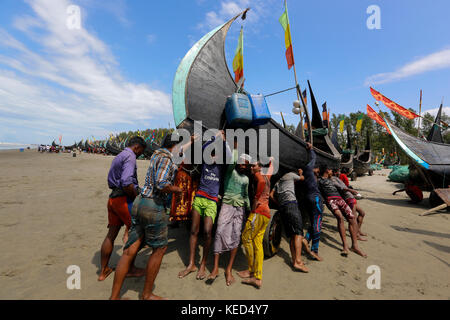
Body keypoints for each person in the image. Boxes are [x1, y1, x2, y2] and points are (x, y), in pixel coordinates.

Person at [110, 132, 186, 300]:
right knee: (159, 249)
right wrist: (177, 190)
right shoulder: (167, 158)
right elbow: (161, 183)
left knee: (129, 250)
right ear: (174, 146)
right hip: (153, 205)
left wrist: (189, 143)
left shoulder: (157, 154)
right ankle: (147, 294)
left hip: (140, 202)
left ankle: (114, 297)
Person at [178, 131, 232, 280]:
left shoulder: (222, 163)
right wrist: (212, 137)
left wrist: (224, 139)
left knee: (208, 231)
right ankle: (191, 264)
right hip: (199, 198)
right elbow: (189, 151)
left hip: (212, 201)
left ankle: (203, 264)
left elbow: (229, 155)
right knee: (194, 231)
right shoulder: (204, 160)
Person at [98, 136, 147, 281]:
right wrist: (135, 197)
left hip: (112, 199)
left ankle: (104, 270)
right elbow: (126, 182)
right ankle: (130, 268)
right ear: (137, 147)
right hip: (123, 200)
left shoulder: (119, 155)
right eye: (140, 152)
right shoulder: (130, 156)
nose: (140, 155)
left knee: (111, 235)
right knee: (138, 234)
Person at [207, 147, 251, 286]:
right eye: (242, 163)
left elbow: (246, 195)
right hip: (227, 204)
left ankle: (228, 269)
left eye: (246, 165)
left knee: (236, 236)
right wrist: (236, 148)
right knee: (219, 232)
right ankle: (215, 268)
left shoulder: (246, 179)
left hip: (240, 209)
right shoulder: (230, 172)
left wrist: (249, 209)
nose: (243, 166)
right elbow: (232, 161)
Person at [238, 157, 274, 289]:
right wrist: (271, 160)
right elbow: (271, 168)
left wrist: (253, 208)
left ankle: (251, 270)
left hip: (258, 212)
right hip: (267, 214)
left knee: (246, 238)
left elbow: (258, 193)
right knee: (257, 243)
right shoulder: (267, 176)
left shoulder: (259, 178)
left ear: (259, 167)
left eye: (254, 166)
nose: (251, 168)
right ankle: (257, 277)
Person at [318, 165, 367, 258]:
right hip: (330, 200)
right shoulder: (319, 180)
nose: (332, 172)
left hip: (340, 199)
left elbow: (341, 188)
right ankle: (345, 246)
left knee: (352, 219)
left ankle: (354, 246)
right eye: (331, 170)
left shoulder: (332, 179)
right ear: (327, 170)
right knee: (340, 218)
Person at [270, 169, 310, 272]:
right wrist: (301, 172)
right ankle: (298, 261)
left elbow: (271, 195)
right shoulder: (291, 175)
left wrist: (279, 203)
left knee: (292, 235)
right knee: (298, 233)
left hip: (283, 207)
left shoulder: (278, 182)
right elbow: (302, 178)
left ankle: (295, 261)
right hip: (291, 205)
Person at [302, 143, 324, 261]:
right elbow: (313, 158)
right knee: (317, 224)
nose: (318, 171)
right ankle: (315, 251)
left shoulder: (305, 174)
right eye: (317, 169)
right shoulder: (309, 170)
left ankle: (306, 240)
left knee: (313, 221)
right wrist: (311, 149)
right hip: (315, 199)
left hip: (307, 198)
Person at [331, 169, 367, 239]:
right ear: (335, 172)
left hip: (351, 197)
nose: (339, 172)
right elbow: (342, 188)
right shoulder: (333, 179)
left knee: (362, 213)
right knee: (353, 218)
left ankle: (358, 231)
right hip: (348, 198)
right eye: (338, 171)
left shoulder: (337, 178)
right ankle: (356, 234)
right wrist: (351, 190)